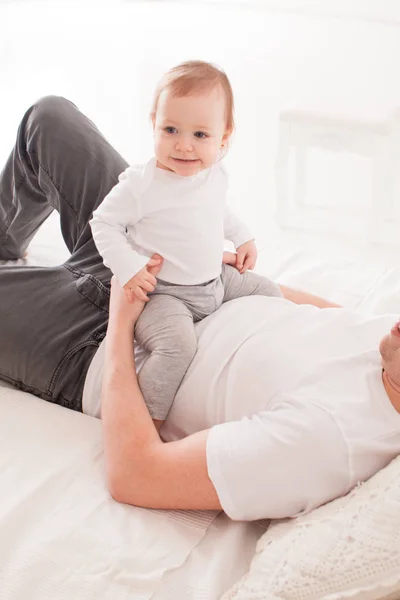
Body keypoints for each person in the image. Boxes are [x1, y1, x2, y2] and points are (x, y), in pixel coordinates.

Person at [2, 94, 399, 522]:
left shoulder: (330, 441)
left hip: (94, 343)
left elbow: (137, 476)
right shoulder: (385, 340)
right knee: (49, 119)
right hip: (171, 264)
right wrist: (205, 263)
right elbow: (322, 315)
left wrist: (120, 323)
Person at [89, 60, 279, 427]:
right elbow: (103, 223)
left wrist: (243, 236)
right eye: (171, 129)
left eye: (200, 135)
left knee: (268, 290)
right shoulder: (142, 185)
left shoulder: (214, 174)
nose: (184, 146)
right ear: (154, 125)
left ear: (224, 137)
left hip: (215, 281)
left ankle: (274, 356)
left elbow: (217, 210)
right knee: (178, 347)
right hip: (165, 295)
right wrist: (130, 267)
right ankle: (147, 423)